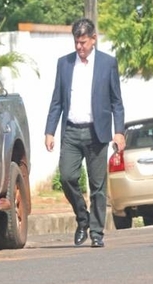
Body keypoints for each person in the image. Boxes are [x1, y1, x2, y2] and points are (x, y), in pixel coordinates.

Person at [44, 17, 126, 248]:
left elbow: (116, 102)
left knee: (98, 186)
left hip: (97, 132)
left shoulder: (107, 63)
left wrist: (118, 131)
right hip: (71, 131)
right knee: (68, 177)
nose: (79, 47)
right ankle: (83, 218)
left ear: (93, 39)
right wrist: (50, 130)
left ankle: (97, 233)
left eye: (83, 42)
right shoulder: (64, 64)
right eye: (76, 42)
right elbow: (57, 100)